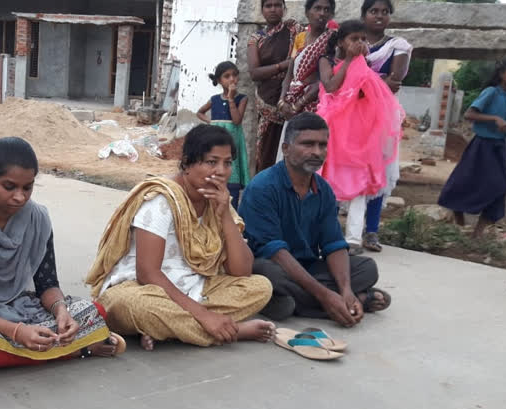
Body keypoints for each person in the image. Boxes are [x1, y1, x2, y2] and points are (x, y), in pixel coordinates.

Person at [0, 137, 125, 378]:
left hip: (18, 306)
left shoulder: (37, 218)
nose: (20, 197)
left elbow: (47, 284)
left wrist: (62, 313)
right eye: (9, 187)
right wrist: (15, 332)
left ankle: (14, 354)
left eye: (27, 188)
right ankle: (76, 350)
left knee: (95, 311)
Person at [86, 125, 276, 351]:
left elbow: (242, 271)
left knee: (261, 287)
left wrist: (225, 214)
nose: (222, 171)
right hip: (140, 289)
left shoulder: (218, 200)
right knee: (138, 307)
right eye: (211, 162)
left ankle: (168, 330)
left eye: (227, 163)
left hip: (194, 289)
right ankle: (234, 331)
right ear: (187, 163)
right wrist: (204, 315)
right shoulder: (161, 200)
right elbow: (147, 273)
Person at [238, 113, 391, 324]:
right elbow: (274, 252)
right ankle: (345, 302)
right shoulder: (262, 187)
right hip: (272, 265)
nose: (317, 152)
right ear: (285, 149)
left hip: (307, 266)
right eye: (307, 144)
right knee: (267, 275)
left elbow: (333, 244)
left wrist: (346, 290)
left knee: (366, 268)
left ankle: (300, 303)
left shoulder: (324, 190)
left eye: (322, 145)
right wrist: (325, 295)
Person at [317, 19, 405, 254]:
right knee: (328, 186)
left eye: (363, 39)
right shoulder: (327, 61)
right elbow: (331, 86)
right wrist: (348, 61)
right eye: (354, 39)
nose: (360, 43)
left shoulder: (363, 65)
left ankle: (354, 239)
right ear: (341, 42)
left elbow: (370, 97)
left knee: (358, 187)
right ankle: (327, 236)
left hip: (357, 136)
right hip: (333, 132)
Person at [438, 58, 506, 238]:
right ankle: (456, 207)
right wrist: (494, 119)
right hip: (482, 145)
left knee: (499, 187)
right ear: (501, 74)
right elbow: (470, 114)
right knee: (469, 180)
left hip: (498, 146)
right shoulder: (491, 92)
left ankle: (477, 233)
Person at [358, 0, 413, 252]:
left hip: (383, 118)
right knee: (349, 169)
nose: (379, 16)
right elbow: (342, 75)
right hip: (353, 115)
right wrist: (378, 81)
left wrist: (362, 82)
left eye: (385, 12)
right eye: (374, 11)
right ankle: (343, 229)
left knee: (378, 172)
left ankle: (371, 231)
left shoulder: (397, 45)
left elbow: (396, 79)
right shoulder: (352, 41)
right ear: (364, 15)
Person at [274, 0, 336, 161]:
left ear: (331, 14)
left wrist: (297, 105)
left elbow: (325, 79)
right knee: (290, 154)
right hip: (291, 104)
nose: (322, 13)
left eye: (326, 9)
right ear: (307, 12)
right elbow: (290, 74)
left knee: (308, 153)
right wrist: (282, 102)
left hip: (314, 105)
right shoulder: (300, 37)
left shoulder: (332, 39)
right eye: (317, 8)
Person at [247, 0, 301, 172]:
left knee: (293, 148)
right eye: (268, 6)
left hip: (293, 98)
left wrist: (283, 67)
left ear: (284, 8)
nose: (273, 9)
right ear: (262, 10)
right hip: (267, 100)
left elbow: (304, 56)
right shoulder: (256, 39)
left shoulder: (294, 30)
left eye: (277, 5)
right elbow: (255, 72)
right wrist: (283, 65)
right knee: (266, 152)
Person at [197, 61, 250, 209]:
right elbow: (200, 112)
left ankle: (230, 210)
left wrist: (231, 98)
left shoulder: (242, 98)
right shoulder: (214, 100)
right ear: (220, 81)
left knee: (230, 168)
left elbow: (237, 120)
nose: (232, 79)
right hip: (215, 139)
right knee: (213, 166)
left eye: (234, 75)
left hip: (233, 141)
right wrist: (212, 122)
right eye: (227, 76)